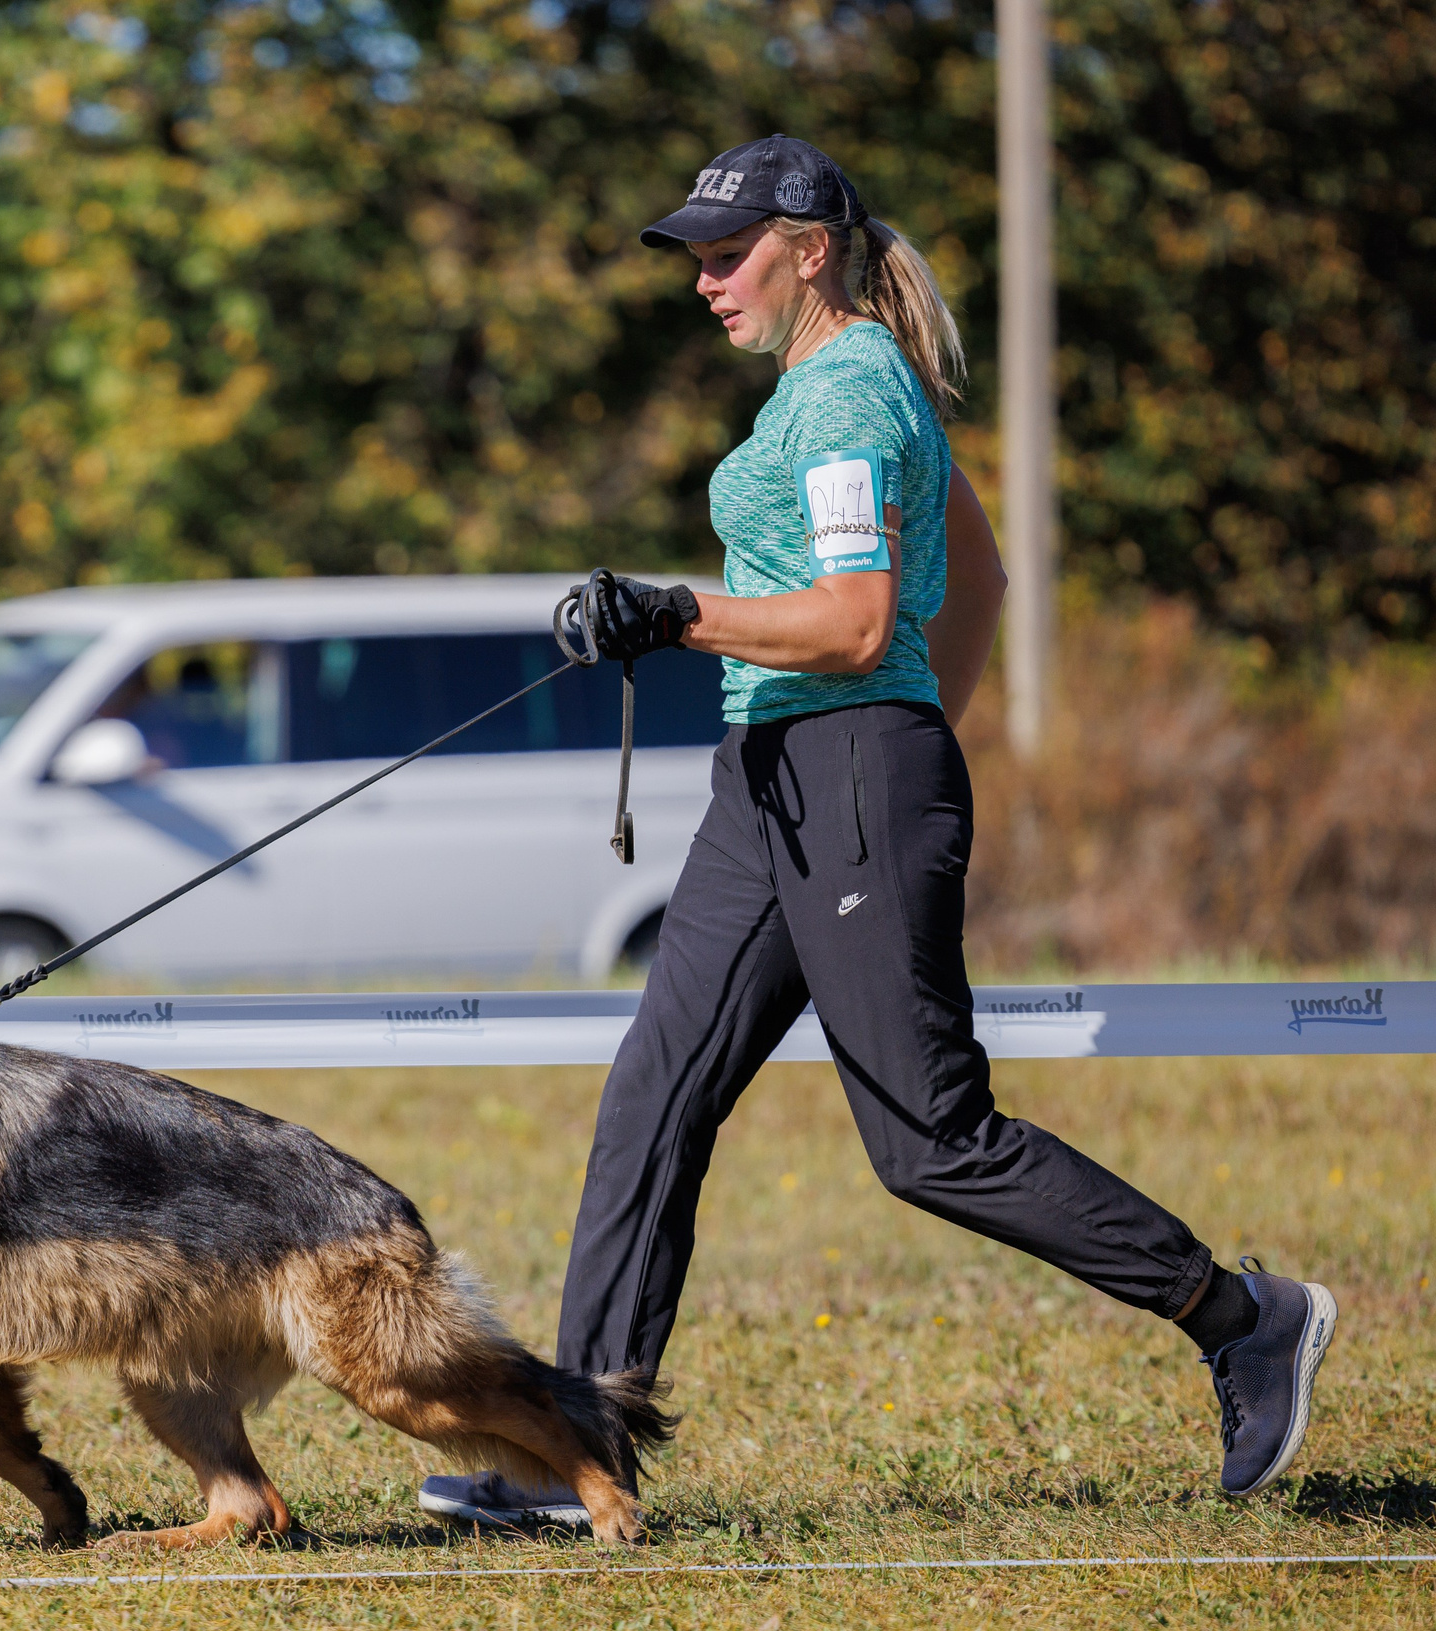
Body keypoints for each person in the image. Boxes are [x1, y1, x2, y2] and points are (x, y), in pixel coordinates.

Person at [420, 135, 1338, 1532]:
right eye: (696, 260)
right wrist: (918, 722)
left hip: (843, 766)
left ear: (812, 245)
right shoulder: (829, 388)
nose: (705, 283)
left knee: (931, 1141)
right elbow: (979, 571)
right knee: (653, 1095)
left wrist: (719, 638)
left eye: (727, 256)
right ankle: (569, 1454)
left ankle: (1242, 1313)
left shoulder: (851, 387)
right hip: (779, 773)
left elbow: (857, 625)